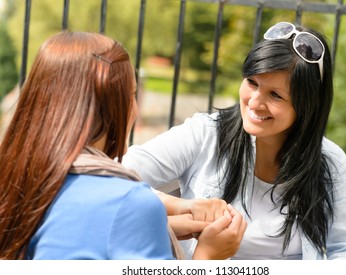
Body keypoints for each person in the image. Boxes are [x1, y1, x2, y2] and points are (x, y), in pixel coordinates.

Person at [123, 21, 346, 260]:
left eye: (275, 95)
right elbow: (116, 177)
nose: (255, 102)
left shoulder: (327, 161)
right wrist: (184, 207)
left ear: (305, 107)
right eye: (252, 82)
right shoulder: (206, 133)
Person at [0, 31, 246, 260]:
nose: (135, 109)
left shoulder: (18, 177)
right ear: (112, 108)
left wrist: (159, 227)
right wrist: (207, 257)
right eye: (131, 95)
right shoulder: (129, 202)